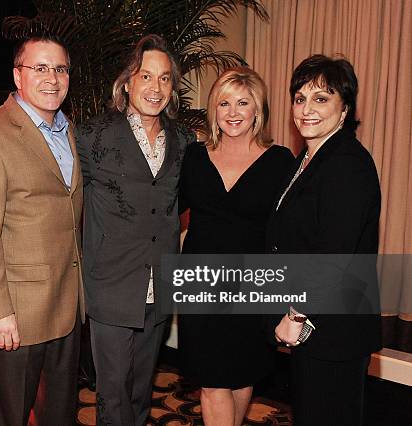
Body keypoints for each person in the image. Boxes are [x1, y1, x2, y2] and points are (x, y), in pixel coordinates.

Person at [0, 35, 83, 426]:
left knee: (58, 416)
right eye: (39, 68)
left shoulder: (69, 130)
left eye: (59, 68)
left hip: (65, 307)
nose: (52, 78)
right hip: (13, 318)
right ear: (17, 75)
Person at [75, 34, 195, 426]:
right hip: (110, 285)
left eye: (164, 79)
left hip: (159, 284)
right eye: (146, 76)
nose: (155, 88)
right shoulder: (93, 136)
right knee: (113, 395)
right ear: (128, 81)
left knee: (143, 391)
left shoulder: (185, 140)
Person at [267, 54, 381, 426]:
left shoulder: (346, 163)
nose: (306, 109)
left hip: (333, 329)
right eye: (300, 98)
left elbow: (333, 256)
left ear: (344, 108)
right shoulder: (309, 159)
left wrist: (296, 316)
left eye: (321, 98)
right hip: (318, 330)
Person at [178, 67, 294, 425]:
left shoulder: (281, 161)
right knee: (213, 382)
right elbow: (164, 211)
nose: (232, 112)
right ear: (213, 109)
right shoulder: (194, 157)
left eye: (243, 103)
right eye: (224, 103)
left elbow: (292, 231)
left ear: (258, 109)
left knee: (243, 375)